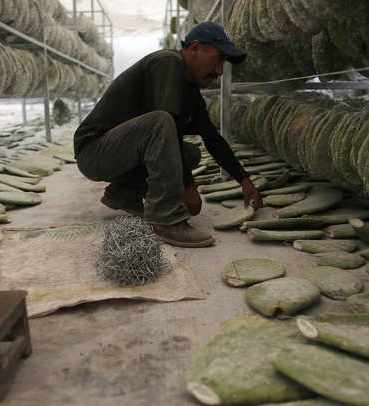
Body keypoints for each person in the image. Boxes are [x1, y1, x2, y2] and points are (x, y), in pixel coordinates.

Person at [73, 21, 263, 248]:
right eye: (218, 59)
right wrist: (188, 187)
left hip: (113, 151)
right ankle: (166, 220)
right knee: (161, 121)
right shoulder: (168, 63)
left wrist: (244, 180)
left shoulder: (190, 90)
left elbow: (212, 138)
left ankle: (124, 193)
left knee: (189, 153)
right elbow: (165, 123)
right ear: (194, 48)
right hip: (94, 151)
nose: (220, 71)